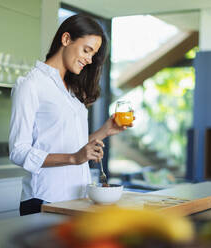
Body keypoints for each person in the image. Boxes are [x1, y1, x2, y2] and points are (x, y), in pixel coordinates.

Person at [9, 14, 133, 216]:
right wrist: (74, 158)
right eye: (87, 50)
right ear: (66, 39)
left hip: (78, 199)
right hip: (44, 200)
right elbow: (18, 151)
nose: (89, 59)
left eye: (93, 54)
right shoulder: (31, 84)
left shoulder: (73, 91)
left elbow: (71, 146)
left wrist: (104, 131)